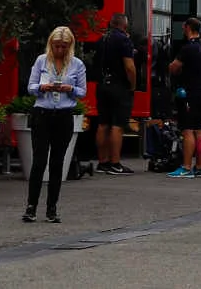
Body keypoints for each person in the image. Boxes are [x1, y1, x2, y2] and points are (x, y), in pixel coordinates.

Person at [23, 26, 87, 224]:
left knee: (57, 163)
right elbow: (31, 87)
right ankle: (31, 207)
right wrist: (43, 87)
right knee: (39, 161)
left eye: (64, 47)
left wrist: (71, 88)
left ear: (70, 46)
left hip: (64, 115)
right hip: (42, 113)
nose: (60, 50)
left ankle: (52, 208)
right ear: (51, 44)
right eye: (57, 46)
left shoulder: (77, 64)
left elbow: (82, 91)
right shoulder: (42, 61)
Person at [93, 14, 137, 175]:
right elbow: (130, 67)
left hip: (102, 84)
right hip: (119, 86)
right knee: (117, 125)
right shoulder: (124, 40)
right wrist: (132, 85)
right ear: (124, 25)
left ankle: (102, 162)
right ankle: (115, 163)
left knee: (103, 123)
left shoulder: (102, 39)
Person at [167, 18, 201, 179]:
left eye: (184, 27)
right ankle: (199, 167)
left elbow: (174, 67)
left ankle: (185, 166)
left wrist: (174, 70)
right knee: (198, 130)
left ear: (188, 28)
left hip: (187, 94)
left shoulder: (187, 49)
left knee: (187, 130)